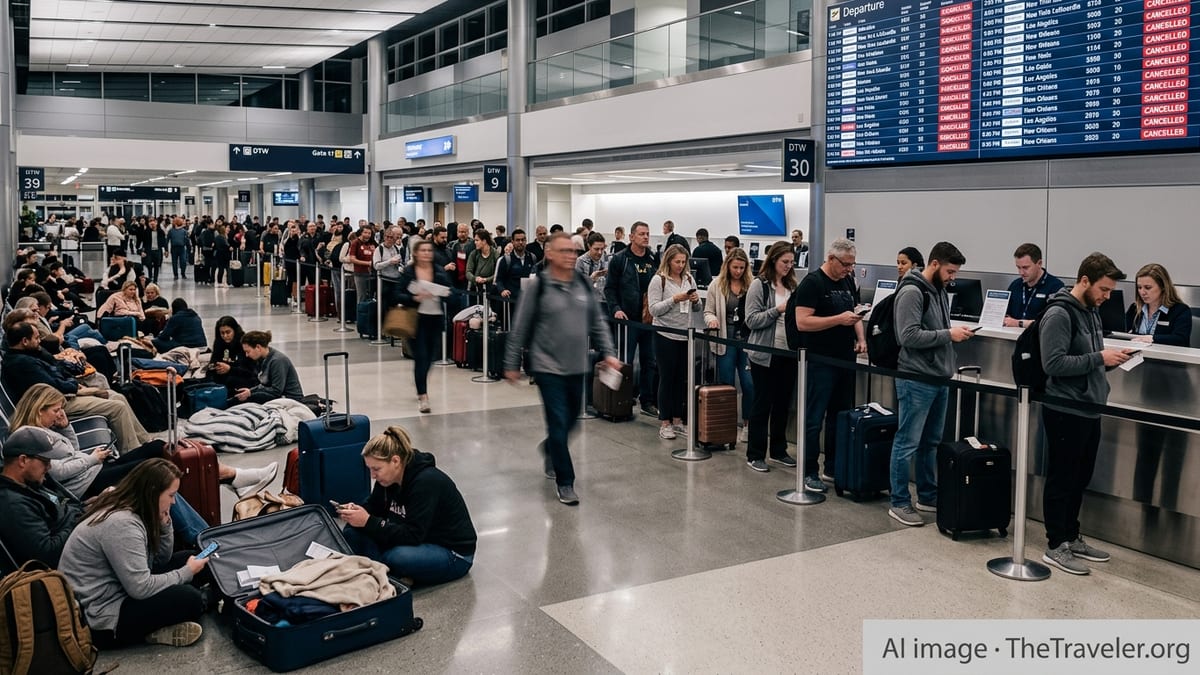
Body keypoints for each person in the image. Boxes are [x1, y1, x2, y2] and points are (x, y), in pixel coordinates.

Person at [504, 232, 621, 505]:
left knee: (571, 424)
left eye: (572, 250)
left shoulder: (582, 283)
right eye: (564, 251)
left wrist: (610, 353)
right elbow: (520, 327)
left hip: (577, 365)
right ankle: (565, 481)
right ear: (551, 254)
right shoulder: (540, 286)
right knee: (558, 423)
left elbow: (597, 322)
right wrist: (511, 363)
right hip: (547, 367)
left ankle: (550, 449)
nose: (570, 255)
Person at [1039, 253, 1134, 575]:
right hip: (1065, 408)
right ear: (1084, 281)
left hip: (1089, 406)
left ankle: (1070, 534)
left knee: (1079, 477)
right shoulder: (1059, 313)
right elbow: (1052, 364)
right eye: (1104, 289)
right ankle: (1055, 544)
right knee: (1062, 477)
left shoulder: (1091, 310)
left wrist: (1107, 358)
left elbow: (1089, 355)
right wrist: (1099, 359)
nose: (1108, 296)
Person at [60, 459, 210, 648]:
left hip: (122, 588)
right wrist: (186, 572)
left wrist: (165, 526)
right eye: (171, 495)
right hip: (103, 617)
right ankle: (150, 631)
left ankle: (163, 624)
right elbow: (140, 588)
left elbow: (159, 560)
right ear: (153, 492)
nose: (173, 501)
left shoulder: (135, 507)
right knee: (190, 599)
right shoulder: (122, 524)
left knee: (194, 557)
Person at [888, 242, 974, 527]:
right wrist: (948, 334)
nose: (953, 277)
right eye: (950, 271)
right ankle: (899, 501)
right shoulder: (912, 292)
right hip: (916, 378)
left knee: (930, 443)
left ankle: (927, 494)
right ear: (934, 264)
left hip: (938, 377)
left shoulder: (937, 291)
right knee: (907, 442)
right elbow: (907, 336)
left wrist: (948, 334)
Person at [338, 426, 477, 586]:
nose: (373, 475)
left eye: (376, 469)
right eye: (370, 469)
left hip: (452, 553)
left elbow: (413, 534)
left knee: (396, 557)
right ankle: (381, 571)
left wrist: (368, 522)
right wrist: (357, 512)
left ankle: (380, 571)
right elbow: (374, 506)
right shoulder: (387, 478)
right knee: (352, 530)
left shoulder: (426, 482)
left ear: (395, 461)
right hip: (416, 539)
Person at [3, 321, 154, 452]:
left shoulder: (30, 355)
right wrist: (78, 387)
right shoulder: (22, 364)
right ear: (24, 341)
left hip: (57, 397)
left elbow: (56, 367)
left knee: (117, 396)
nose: (40, 341)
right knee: (117, 407)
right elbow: (54, 385)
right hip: (53, 404)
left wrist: (74, 384)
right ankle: (131, 451)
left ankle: (144, 442)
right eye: (36, 338)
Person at [792, 238, 865, 491]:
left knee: (840, 416)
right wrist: (837, 320)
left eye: (852, 264)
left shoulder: (847, 281)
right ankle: (809, 471)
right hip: (819, 361)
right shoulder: (812, 283)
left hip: (845, 359)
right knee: (814, 419)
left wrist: (860, 337)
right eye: (845, 264)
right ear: (831, 259)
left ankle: (833, 467)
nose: (849, 269)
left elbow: (853, 312)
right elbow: (803, 322)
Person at [743, 242, 799, 472]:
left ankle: (778, 449)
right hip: (764, 354)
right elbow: (752, 320)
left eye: (791, 263)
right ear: (774, 260)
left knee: (783, 404)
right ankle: (755, 453)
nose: (788, 266)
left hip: (788, 352)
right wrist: (778, 310)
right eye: (784, 262)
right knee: (762, 403)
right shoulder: (759, 286)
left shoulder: (793, 285)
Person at [0, 427, 86, 567]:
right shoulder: (13, 505)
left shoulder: (31, 483)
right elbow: (47, 554)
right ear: (23, 460)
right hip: (69, 563)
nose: (49, 467)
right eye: (45, 461)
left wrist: (91, 506)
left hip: (77, 536)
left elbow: (63, 503)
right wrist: (81, 520)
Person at [604, 221, 661, 417]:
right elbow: (609, 288)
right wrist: (616, 309)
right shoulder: (621, 260)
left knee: (649, 361)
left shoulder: (653, 259)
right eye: (641, 234)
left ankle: (647, 401)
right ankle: (621, 401)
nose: (645, 237)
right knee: (625, 362)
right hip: (628, 320)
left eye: (647, 234)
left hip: (649, 320)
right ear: (631, 237)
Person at [647, 244, 702, 440]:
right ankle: (665, 421)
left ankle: (678, 420)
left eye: (683, 262)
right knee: (666, 378)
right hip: (665, 335)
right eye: (677, 261)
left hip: (684, 334)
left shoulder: (688, 278)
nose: (680, 265)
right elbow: (654, 309)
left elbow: (697, 309)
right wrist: (674, 300)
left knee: (681, 379)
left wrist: (695, 300)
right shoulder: (658, 280)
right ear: (668, 261)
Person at [703, 247, 756, 443]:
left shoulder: (752, 285)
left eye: (742, 268)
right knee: (726, 382)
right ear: (727, 266)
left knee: (749, 384)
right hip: (725, 338)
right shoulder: (716, 285)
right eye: (735, 267)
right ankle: (727, 422)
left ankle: (748, 423)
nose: (738, 271)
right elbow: (708, 310)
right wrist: (712, 320)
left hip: (747, 340)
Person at [394, 240, 452, 414]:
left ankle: (420, 378)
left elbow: (451, 292)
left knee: (431, 357)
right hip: (416, 319)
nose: (427, 253)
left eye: (429, 250)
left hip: (435, 319)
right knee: (421, 356)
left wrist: (444, 293)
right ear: (416, 253)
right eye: (423, 250)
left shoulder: (439, 271)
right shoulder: (409, 272)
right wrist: (414, 298)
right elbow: (396, 293)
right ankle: (423, 395)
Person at [1125, 263, 1192, 346]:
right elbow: (1121, 332)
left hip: (1165, 357)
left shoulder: (1180, 310)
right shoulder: (1135, 308)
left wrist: (1152, 338)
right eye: (1139, 287)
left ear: (1163, 286)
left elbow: (1181, 339)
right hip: (1136, 356)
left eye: (1148, 287)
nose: (1142, 292)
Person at [1003, 243, 1064, 329]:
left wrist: (1018, 323)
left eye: (1025, 268)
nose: (1021, 273)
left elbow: (1052, 323)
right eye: (1018, 267)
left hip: (1039, 340)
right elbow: (1004, 314)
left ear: (1039, 263)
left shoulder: (1055, 287)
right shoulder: (1015, 285)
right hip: (1012, 337)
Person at [233, 330, 304, 403]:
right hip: (279, 396)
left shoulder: (277, 361)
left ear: (258, 347)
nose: (246, 355)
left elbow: (276, 390)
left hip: (290, 399)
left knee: (248, 399)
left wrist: (251, 393)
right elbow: (264, 385)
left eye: (248, 351)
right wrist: (250, 391)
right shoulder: (263, 359)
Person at [208, 316, 258, 391]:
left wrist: (230, 369)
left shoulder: (244, 343)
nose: (225, 336)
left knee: (231, 381)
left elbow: (250, 372)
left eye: (228, 332)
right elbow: (214, 359)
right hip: (224, 374)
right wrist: (214, 366)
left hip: (242, 376)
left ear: (235, 330)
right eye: (222, 333)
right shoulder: (219, 342)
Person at [373, 225, 407, 307]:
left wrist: (401, 265)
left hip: (395, 280)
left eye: (392, 237)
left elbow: (400, 262)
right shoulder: (379, 249)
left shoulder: (396, 248)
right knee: (383, 305)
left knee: (394, 304)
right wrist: (389, 262)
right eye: (387, 237)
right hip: (384, 281)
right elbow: (376, 266)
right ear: (384, 237)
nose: (389, 239)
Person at [575, 232, 610, 306]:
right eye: (596, 249)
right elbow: (577, 287)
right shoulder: (580, 261)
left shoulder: (606, 259)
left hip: (603, 301)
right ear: (589, 246)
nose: (600, 252)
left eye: (602, 249)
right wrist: (591, 278)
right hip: (586, 303)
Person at [138, 218, 167, 284]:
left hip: (157, 250)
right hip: (149, 251)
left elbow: (164, 241)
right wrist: (141, 251)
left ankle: (155, 280)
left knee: (157, 265)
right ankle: (150, 277)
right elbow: (143, 241)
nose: (152, 224)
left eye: (153, 223)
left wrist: (166, 250)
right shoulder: (146, 231)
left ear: (156, 223)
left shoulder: (160, 231)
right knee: (149, 264)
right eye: (150, 223)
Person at [212, 223, 233, 287]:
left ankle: (221, 282)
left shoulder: (219, 237)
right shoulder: (222, 237)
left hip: (220, 254)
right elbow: (226, 245)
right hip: (223, 255)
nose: (229, 229)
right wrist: (229, 248)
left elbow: (214, 246)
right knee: (223, 269)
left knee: (222, 269)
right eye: (227, 228)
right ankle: (221, 282)